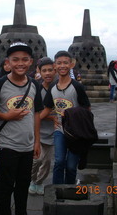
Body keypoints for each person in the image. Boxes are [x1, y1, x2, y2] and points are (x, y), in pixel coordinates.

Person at [0, 42, 43, 215]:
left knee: (23, 185)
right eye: (15, 59)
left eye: (24, 59)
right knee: (6, 186)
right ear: (8, 62)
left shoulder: (35, 85)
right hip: (6, 145)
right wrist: (6, 116)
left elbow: (36, 114)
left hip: (27, 146)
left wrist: (37, 141)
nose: (20, 63)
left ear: (31, 62)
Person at [41, 50, 91, 184]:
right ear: (55, 66)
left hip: (76, 132)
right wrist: (32, 120)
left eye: (65, 63)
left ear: (71, 65)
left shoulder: (77, 87)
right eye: (59, 63)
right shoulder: (52, 87)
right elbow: (47, 109)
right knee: (59, 161)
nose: (62, 66)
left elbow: (87, 109)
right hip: (60, 130)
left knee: (70, 165)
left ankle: (69, 188)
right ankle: (57, 189)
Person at [28, 57, 56, 195]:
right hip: (37, 129)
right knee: (36, 160)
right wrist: (50, 116)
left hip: (51, 131)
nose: (48, 73)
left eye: (50, 70)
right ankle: (32, 180)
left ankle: (39, 182)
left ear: (55, 70)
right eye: (44, 70)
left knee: (47, 161)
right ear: (39, 71)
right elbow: (34, 111)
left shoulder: (58, 87)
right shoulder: (36, 88)